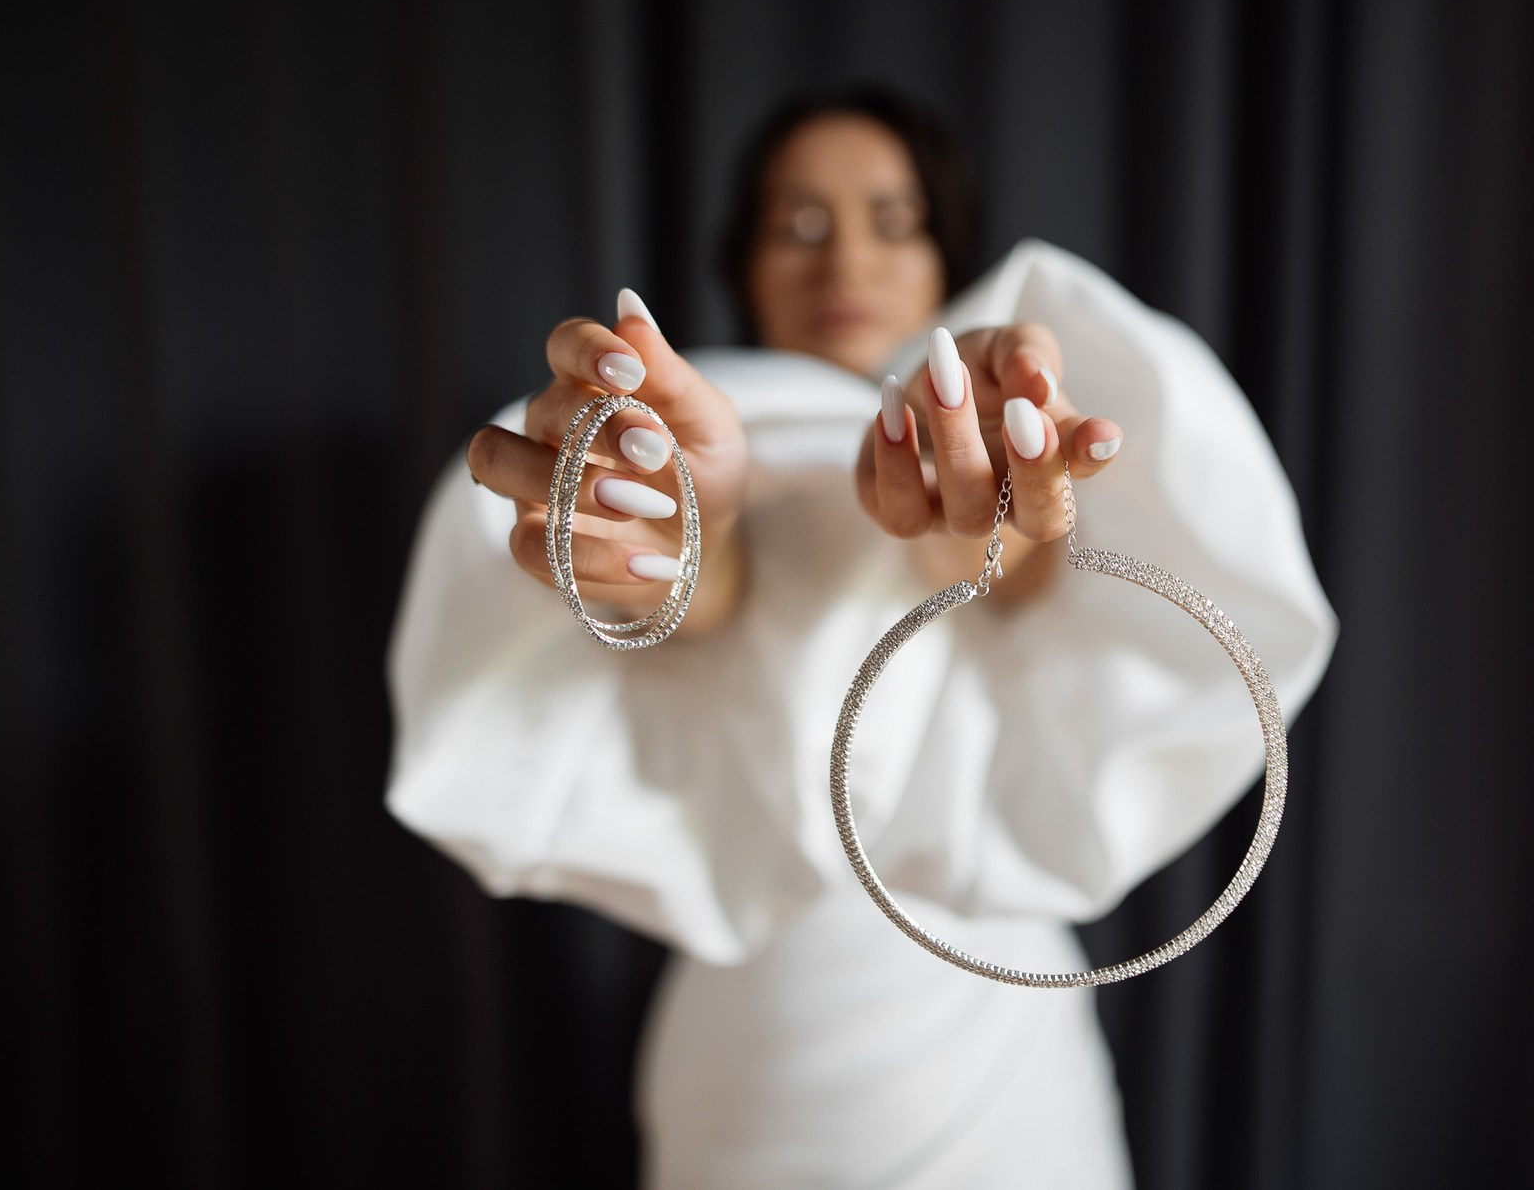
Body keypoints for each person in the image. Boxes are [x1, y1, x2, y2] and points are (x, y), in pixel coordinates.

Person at [386, 85, 1337, 1188]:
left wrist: (990, 518)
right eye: (798, 224)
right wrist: (668, 543)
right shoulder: (690, 454)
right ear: (740, 262)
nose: (845, 263)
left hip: (991, 1049)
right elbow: (702, 587)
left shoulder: (999, 442)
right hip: (756, 1053)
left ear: (945, 257)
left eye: (893, 221)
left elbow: (996, 563)